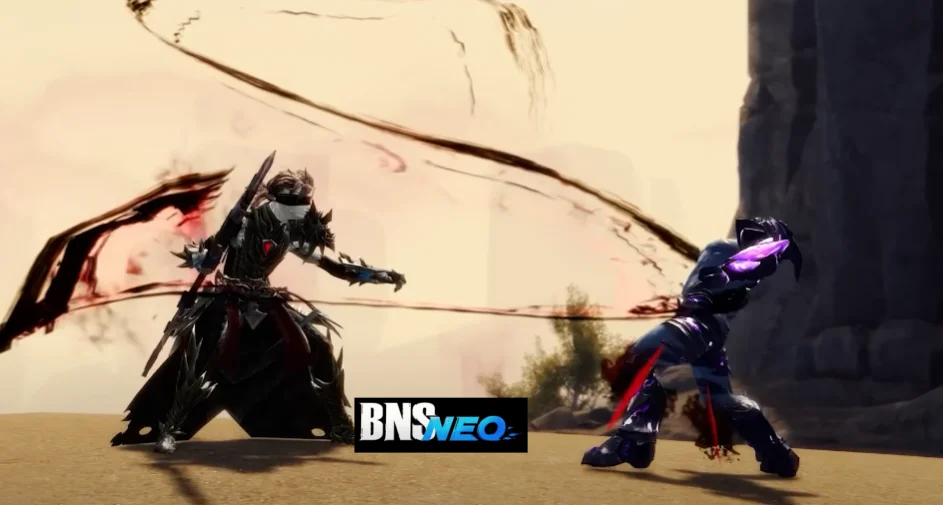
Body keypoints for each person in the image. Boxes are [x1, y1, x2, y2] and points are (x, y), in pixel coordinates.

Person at [110, 153, 405, 453]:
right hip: (227, 298)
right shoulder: (242, 226)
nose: (304, 209)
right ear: (277, 202)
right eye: (297, 203)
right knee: (206, 358)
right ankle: (169, 429)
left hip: (264, 300)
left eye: (306, 202)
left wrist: (378, 275)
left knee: (318, 344)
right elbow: (207, 256)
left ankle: (340, 425)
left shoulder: (290, 233)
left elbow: (334, 266)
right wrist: (206, 257)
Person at [581, 217, 801, 477]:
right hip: (712, 334)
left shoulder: (730, 253)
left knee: (639, 358)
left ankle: (635, 441)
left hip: (698, 325)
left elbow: (715, 284)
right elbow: (719, 281)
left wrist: (703, 295)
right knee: (719, 398)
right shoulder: (735, 256)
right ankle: (775, 452)